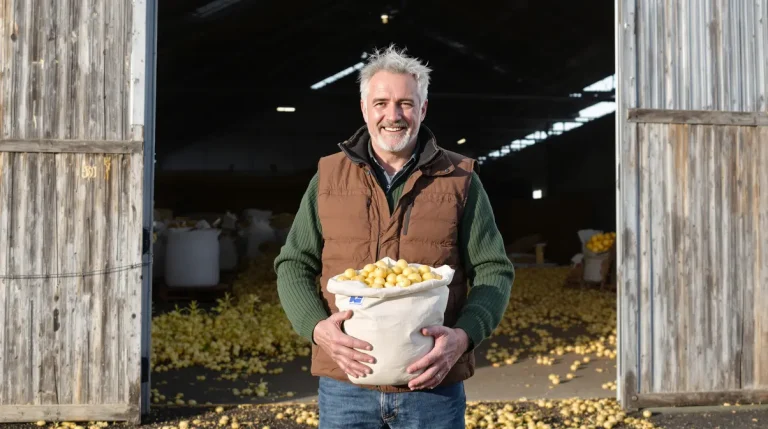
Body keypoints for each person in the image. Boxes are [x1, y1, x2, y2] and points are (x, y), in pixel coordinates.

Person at [274, 45, 515, 429]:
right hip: (346, 386)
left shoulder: (461, 180)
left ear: (422, 110)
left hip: (432, 387)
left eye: (405, 103)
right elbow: (294, 264)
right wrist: (317, 329)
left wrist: (464, 337)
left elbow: (493, 270)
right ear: (364, 108)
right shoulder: (329, 177)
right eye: (382, 102)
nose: (393, 115)